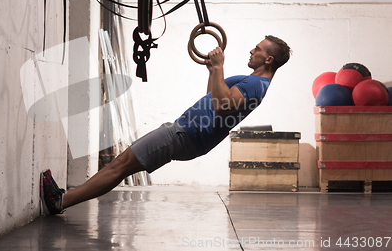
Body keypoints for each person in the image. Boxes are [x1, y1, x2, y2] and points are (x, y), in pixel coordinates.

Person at [40, 35, 292, 215]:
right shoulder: (254, 82)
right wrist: (212, 72)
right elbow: (213, 97)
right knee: (122, 164)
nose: (251, 50)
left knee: (120, 164)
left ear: (268, 59)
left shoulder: (256, 85)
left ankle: (60, 201)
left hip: (186, 134)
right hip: (186, 132)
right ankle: (64, 199)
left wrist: (219, 66)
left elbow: (221, 104)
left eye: (257, 49)